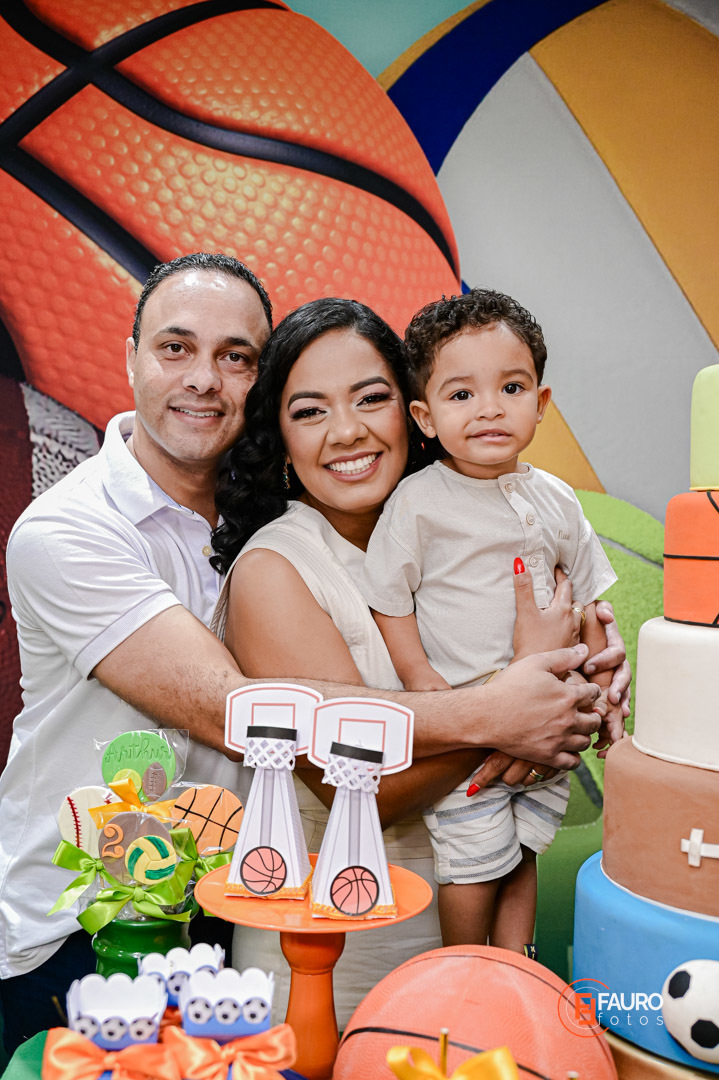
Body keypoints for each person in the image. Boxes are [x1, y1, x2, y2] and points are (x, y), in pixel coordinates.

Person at [0, 257, 620, 1054]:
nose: (203, 378)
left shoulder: (379, 527)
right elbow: (241, 716)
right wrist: (512, 708)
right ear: (130, 357)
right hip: (87, 916)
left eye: (235, 356)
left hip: (230, 899)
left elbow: (552, 626)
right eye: (175, 347)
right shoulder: (73, 531)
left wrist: (589, 669)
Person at [210, 296, 629, 1023]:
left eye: (370, 398)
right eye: (309, 411)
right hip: (336, 976)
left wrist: (589, 677)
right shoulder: (274, 571)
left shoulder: (477, 524)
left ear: (411, 414)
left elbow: (570, 640)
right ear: (278, 439)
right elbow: (360, 791)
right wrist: (519, 708)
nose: (347, 430)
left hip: (477, 982)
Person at [359, 288, 623, 951]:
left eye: (511, 388)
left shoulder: (557, 498)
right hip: (471, 721)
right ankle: (465, 966)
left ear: (541, 402)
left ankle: (513, 967)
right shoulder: (418, 503)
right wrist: (421, 679)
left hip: (550, 722)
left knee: (521, 852)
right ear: (424, 417)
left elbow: (591, 599)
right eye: (461, 394)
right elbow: (388, 597)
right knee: (473, 864)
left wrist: (599, 692)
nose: (489, 409)